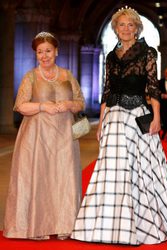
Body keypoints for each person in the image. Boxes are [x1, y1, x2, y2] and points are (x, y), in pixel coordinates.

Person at [71, 6, 167, 245]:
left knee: (139, 168)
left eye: (130, 25)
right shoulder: (111, 56)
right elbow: (107, 90)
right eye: (121, 25)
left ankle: (141, 222)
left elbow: (152, 88)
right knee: (111, 169)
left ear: (137, 28)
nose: (125, 29)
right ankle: (107, 225)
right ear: (115, 28)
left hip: (136, 115)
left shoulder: (147, 53)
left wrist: (157, 117)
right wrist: (101, 121)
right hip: (114, 117)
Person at [3, 31, 85, 240]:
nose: (44, 55)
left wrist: (68, 104)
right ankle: (35, 226)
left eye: (48, 51)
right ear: (36, 54)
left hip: (64, 135)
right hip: (36, 136)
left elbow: (80, 102)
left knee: (64, 177)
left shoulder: (68, 75)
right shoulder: (30, 76)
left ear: (56, 51)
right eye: (40, 52)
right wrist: (41, 106)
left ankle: (65, 224)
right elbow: (20, 105)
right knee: (38, 177)